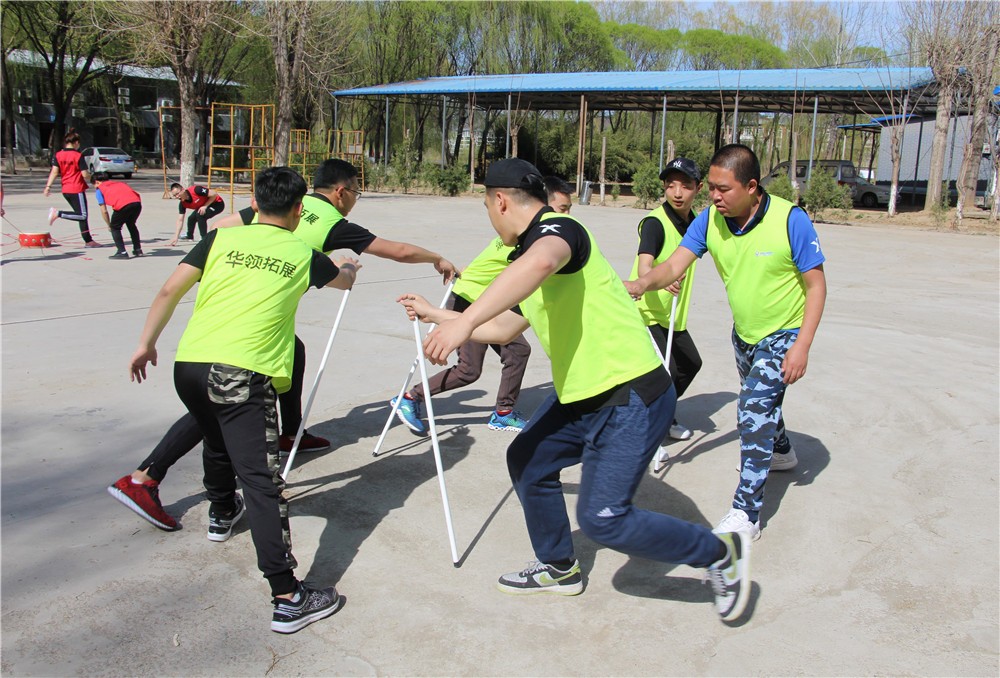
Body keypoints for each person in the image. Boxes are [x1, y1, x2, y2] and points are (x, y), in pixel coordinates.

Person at [399, 158, 751, 623]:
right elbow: (506, 327)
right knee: (526, 459)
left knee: (605, 518)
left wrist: (463, 321)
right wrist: (438, 315)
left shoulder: (560, 230)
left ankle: (720, 553)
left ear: (499, 201)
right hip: (585, 395)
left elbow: (544, 259)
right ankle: (559, 567)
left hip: (631, 395)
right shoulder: (523, 258)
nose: (490, 216)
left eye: (487, 207)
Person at [107, 158, 456, 530]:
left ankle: (291, 433)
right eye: (356, 192)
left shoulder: (273, 202)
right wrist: (436, 257)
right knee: (220, 402)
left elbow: (224, 225)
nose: (355, 199)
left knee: (294, 351)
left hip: (234, 304)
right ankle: (145, 476)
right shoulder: (332, 223)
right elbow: (396, 251)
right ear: (340, 193)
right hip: (247, 329)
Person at [122, 166, 360, 634]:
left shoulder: (220, 239)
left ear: (255, 201)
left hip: (188, 366)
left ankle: (221, 512)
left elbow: (170, 288)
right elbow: (344, 281)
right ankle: (288, 597)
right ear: (298, 209)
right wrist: (350, 263)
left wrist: (146, 343)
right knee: (261, 481)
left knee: (215, 437)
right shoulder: (302, 251)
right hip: (240, 372)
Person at [625, 144, 827, 541]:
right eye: (712, 188)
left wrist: (801, 346)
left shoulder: (791, 220)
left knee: (752, 408)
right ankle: (781, 451)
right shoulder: (709, 221)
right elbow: (673, 265)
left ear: (752, 187)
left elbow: (816, 286)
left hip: (784, 333)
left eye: (723, 189)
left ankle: (746, 514)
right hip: (745, 335)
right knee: (761, 401)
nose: (713, 196)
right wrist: (641, 283)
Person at [391, 175, 573, 435]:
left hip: (485, 300)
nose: (567, 215)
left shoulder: (532, 234)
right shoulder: (533, 239)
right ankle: (410, 398)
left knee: (518, 350)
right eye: (562, 209)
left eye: (569, 210)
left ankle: (503, 412)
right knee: (469, 370)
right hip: (470, 302)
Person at [630, 158, 705, 441]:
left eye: (685, 186)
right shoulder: (655, 223)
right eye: (670, 185)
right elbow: (644, 267)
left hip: (673, 317)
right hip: (647, 313)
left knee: (690, 365)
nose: (677, 192)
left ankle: (662, 410)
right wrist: (662, 281)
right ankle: (651, 424)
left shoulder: (697, 225)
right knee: (666, 373)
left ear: (698, 188)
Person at [44, 128, 100, 247]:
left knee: (80, 215)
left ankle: (89, 241)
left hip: (66, 189)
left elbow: (54, 172)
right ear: (75, 143)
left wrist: (48, 186)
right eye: (78, 143)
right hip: (77, 188)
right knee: (83, 215)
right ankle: (58, 213)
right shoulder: (78, 156)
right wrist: (94, 179)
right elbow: (84, 174)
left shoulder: (58, 155)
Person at [93, 172, 143, 259]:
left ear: (97, 182)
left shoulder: (99, 189)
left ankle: (122, 252)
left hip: (122, 206)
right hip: (136, 203)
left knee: (115, 228)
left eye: (94, 185)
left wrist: (109, 225)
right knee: (131, 224)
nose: (95, 187)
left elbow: (104, 211)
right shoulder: (119, 183)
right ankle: (138, 249)